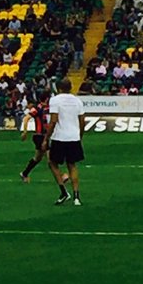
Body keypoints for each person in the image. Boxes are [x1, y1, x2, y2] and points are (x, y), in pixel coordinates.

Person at [45, 77, 85, 206]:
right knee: (72, 165)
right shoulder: (77, 101)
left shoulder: (55, 100)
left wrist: (46, 138)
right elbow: (82, 120)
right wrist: (80, 135)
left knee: (52, 162)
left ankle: (63, 192)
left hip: (60, 137)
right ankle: (76, 196)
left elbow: (53, 120)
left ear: (59, 88)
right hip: (74, 136)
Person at [18, 92, 50, 183]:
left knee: (37, 158)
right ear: (46, 99)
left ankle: (24, 173)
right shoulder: (37, 109)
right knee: (50, 158)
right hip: (40, 136)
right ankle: (61, 176)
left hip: (43, 136)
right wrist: (25, 132)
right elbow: (26, 118)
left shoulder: (47, 108)